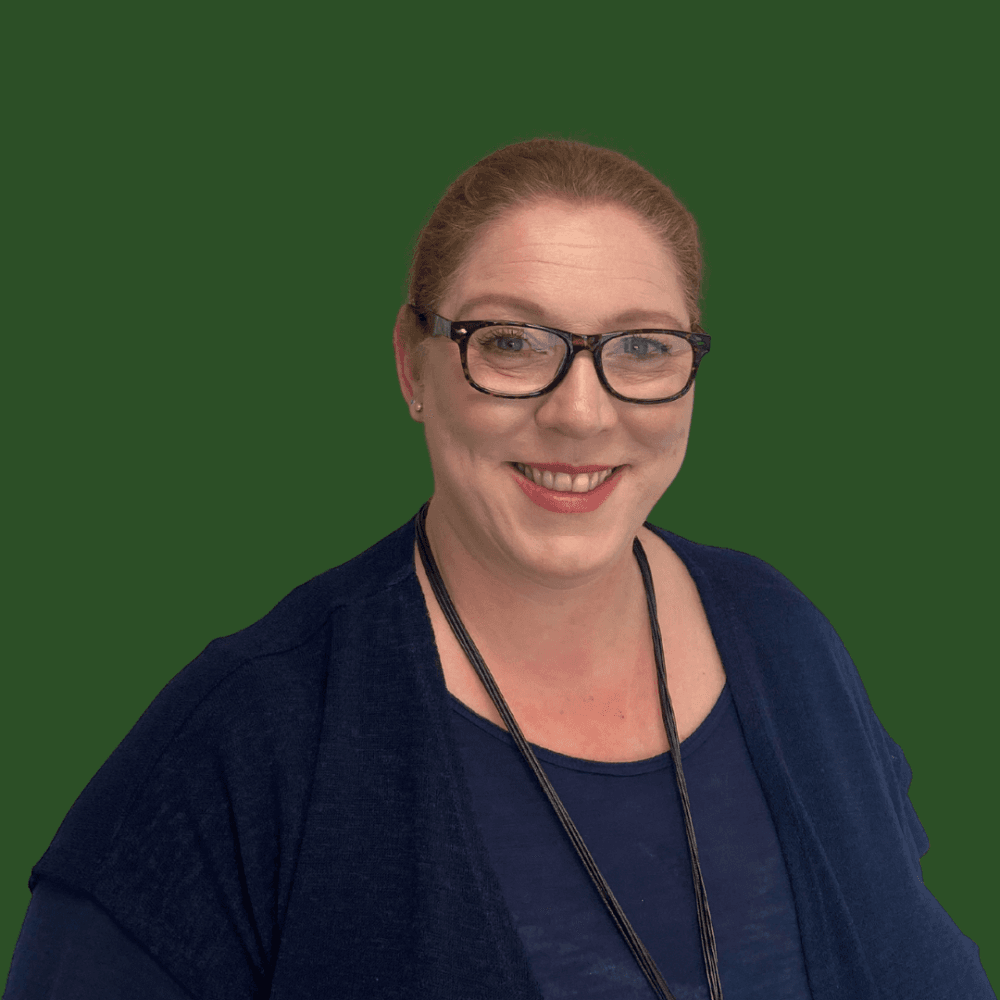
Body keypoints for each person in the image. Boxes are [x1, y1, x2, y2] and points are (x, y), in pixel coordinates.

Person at [4, 139, 993, 1000]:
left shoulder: (784, 638)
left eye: (640, 347)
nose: (580, 411)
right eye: (512, 342)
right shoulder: (239, 744)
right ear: (412, 363)